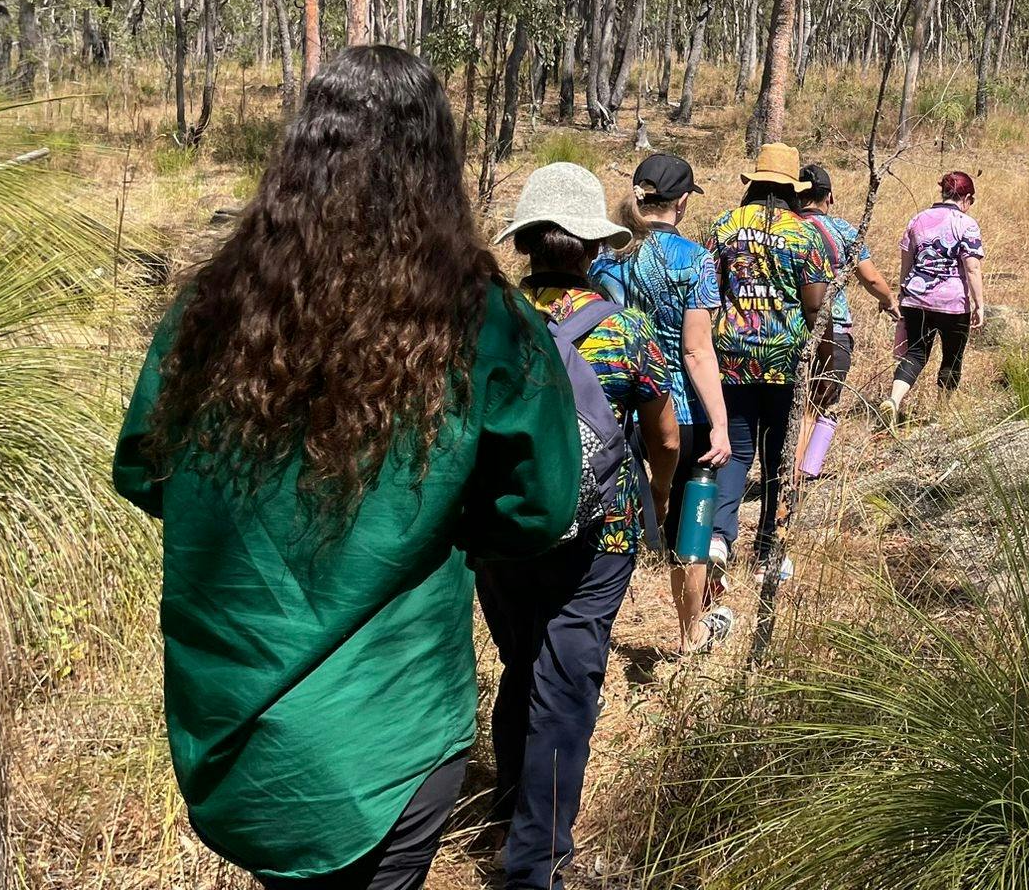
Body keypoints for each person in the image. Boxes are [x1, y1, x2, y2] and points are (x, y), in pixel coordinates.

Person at [113, 45, 583, 890]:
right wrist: (434, 522)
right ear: (434, 162)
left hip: (235, 726)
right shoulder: (483, 320)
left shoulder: (209, 304)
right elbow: (540, 508)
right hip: (389, 724)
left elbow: (145, 472)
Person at [485, 162, 679, 890]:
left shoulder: (490, 323)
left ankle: (509, 806)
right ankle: (537, 861)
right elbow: (663, 438)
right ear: (594, 249)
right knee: (567, 681)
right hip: (603, 534)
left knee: (521, 662)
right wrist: (655, 502)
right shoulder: (628, 331)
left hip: (503, 529)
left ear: (527, 244)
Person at [594, 152, 735, 656]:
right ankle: (690, 631)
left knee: (609, 529)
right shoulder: (694, 260)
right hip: (681, 411)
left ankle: (595, 635)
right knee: (691, 525)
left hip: (614, 410)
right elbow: (697, 350)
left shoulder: (603, 257)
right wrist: (720, 423)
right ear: (680, 201)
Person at [705, 142, 831, 582]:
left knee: (736, 450)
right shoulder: (805, 233)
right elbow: (815, 303)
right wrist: (820, 350)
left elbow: (708, 291)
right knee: (778, 454)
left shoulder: (725, 225)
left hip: (732, 355)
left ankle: (719, 536)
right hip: (786, 357)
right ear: (793, 189)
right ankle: (769, 549)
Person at [796, 162, 899, 465]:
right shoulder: (841, 230)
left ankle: (791, 472)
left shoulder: (785, 227)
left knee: (794, 405)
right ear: (830, 197)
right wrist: (888, 299)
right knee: (820, 404)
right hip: (834, 329)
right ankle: (801, 475)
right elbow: (871, 278)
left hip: (788, 328)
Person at [887, 171, 987, 428]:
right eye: (971, 200)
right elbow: (972, 268)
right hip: (953, 303)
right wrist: (979, 304)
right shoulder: (966, 224)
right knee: (952, 356)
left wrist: (903, 293)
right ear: (965, 197)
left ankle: (894, 400)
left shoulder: (917, 220)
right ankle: (941, 413)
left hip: (916, 298)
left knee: (916, 354)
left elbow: (906, 263)